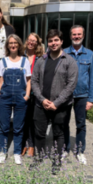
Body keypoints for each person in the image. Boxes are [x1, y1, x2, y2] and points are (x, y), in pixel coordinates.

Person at [30, 29, 77, 175]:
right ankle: (39, 157)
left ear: (62, 41)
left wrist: (56, 103)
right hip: (41, 104)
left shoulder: (69, 61)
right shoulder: (41, 60)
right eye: (50, 41)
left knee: (59, 133)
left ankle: (57, 160)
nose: (53, 43)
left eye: (56, 40)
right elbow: (34, 81)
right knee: (39, 133)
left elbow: (71, 85)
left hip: (61, 106)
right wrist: (43, 100)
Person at [0, 34, 31, 165]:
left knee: (19, 127)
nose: (13, 45)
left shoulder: (25, 61)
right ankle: (3, 151)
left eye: (15, 43)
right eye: (10, 43)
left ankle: (17, 152)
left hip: (21, 97)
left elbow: (29, 81)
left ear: (19, 45)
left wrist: (27, 96)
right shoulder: (2, 62)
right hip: (5, 97)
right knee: (4, 127)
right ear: (7, 46)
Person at [62, 25, 93, 165]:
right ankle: (65, 148)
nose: (76, 37)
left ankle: (80, 151)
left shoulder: (90, 54)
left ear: (83, 36)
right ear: (70, 36)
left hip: (82, 95)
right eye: (74, 34)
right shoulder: (63, 53)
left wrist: (91, 99)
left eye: (79, 34)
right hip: (66, 95)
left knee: (81, 124)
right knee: (63, 123)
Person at [19, 32, 44, 158]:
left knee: (33, 120)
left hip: (35, 93)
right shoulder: (21, 55)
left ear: (37, 43)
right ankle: (24, 144)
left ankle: (32, 145)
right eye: (29, 40)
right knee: (24, 119)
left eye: (34, 41)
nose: (31, 42)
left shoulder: (41, 57)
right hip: (22, 92)